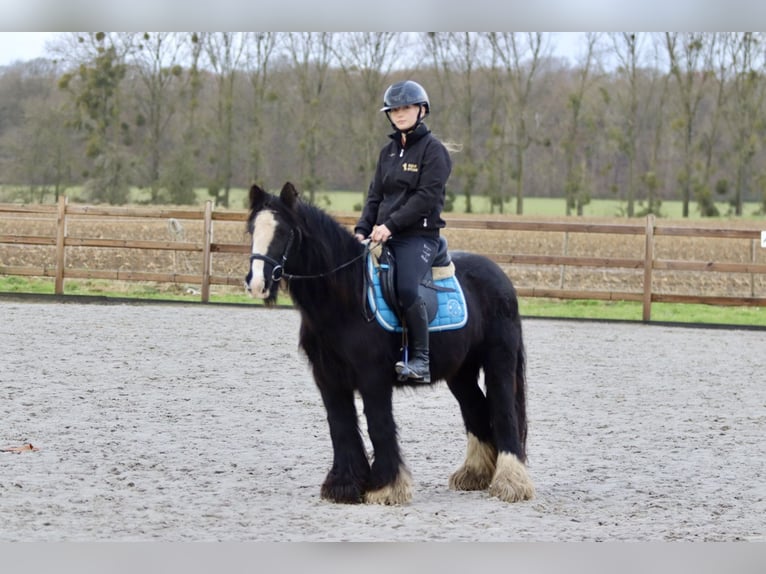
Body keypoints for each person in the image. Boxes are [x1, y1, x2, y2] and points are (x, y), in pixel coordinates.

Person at [354, 80, 453, 383]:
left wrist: (390, 226)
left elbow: (425, 198)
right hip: (383, 233)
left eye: (406, 107)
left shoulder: (434, 152)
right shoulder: (387, 152)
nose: (400, 114)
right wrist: (361, 229)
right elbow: (375, 196)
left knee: (407, 287)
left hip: (419, 237)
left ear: (421, 110)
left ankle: (421, 360)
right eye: (394, 109)